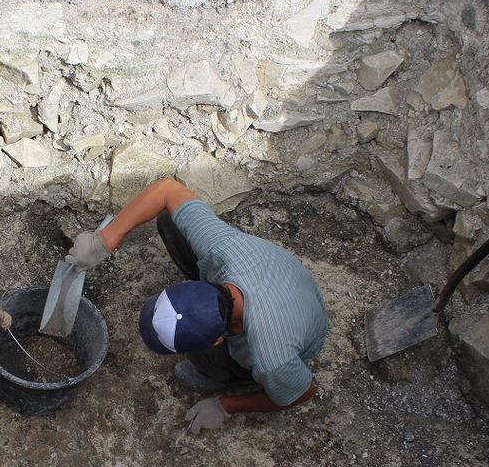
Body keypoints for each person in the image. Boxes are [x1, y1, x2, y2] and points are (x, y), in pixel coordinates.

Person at [66, 177, 327, 433]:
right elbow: (167, 189)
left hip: (303, 327)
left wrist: (226, 406)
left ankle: (221, 372)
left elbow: (301, 393)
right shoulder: (221, 248)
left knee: (205, 362)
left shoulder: (271, 356)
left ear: (218, 340)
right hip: (288, 284)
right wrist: (104, 240)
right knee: (172, 222)